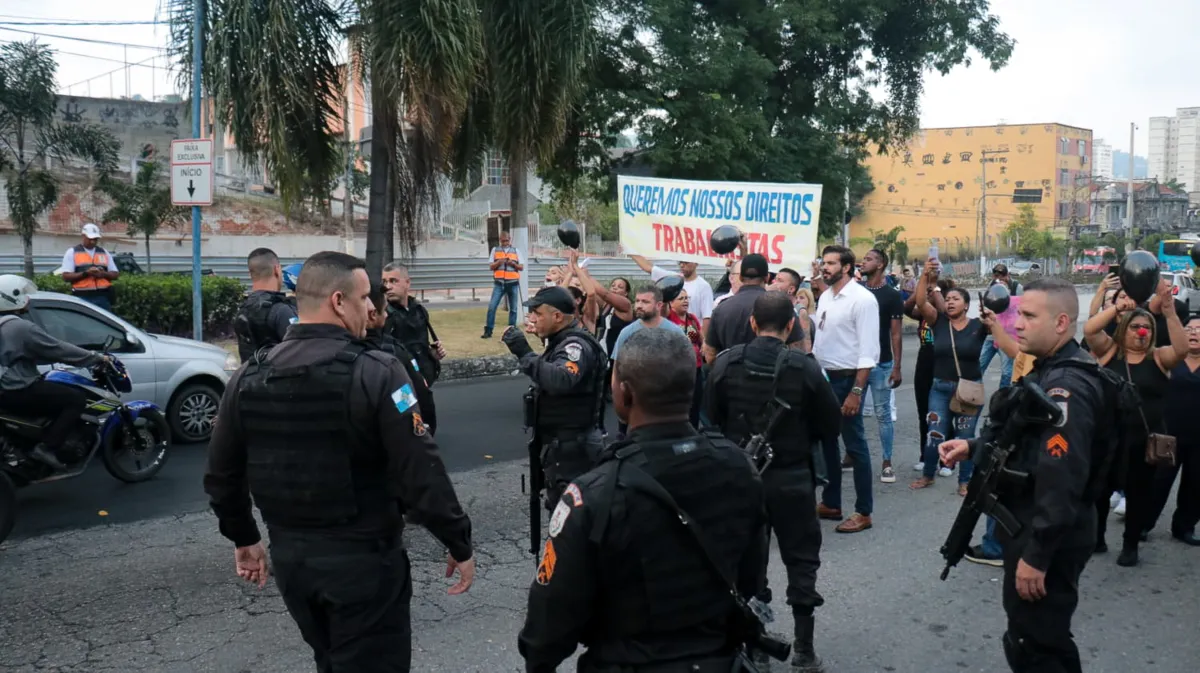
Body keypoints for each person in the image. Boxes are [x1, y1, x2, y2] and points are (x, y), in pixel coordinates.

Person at [203, 252, 475, 672]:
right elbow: (419, 467)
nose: (371, 308)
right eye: (364, 297)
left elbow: (222, 474)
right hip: (363, 563)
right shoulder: (378, 371)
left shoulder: (248, 377)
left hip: (294, 564)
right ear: (337, 301)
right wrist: (457, 538)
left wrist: (244, 537)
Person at [518, 327, 768, 672]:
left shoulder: (593, 493)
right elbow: (753, 577)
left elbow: (550, 620)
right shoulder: (739, 467)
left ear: (624, 393)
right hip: (719, 657)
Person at [940, 277, 1114, 673]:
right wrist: (974, 447)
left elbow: (1062, 479)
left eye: (1030, 316)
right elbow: (1026, 439)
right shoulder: (1048, 369)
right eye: (1019, 314)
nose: (1017, 324)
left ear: (1061, 323)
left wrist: (1036, 556)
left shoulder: (1065, 387)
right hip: (1034, 522)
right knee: (1030, 634)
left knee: (1038, 643)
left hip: (1047, 532)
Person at [705, 291, 841, 672]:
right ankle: (803, 650)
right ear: (791, 326)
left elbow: (710, 420)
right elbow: (831, 426)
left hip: (742, 481)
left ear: (751, 323)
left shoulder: (727, 364)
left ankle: (756, 647)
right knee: (801, 562)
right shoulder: (805, 367)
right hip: (793, 478)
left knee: (749, 565)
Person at [1082, 279, 1187, 566]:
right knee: (1100, 491)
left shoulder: (1159, 357)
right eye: (1134, 327)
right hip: (1108, 437)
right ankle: (1098, 536)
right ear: (1123, 329)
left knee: (1139, 494)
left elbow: (1181, 348)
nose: (1142, 332)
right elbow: (1090, 329)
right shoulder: (1109, 351)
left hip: (1144, 439)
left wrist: (1168, 312)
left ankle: (1131, 545)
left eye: (1147, 328)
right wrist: (1115, 306)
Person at [502, 285, 607, 507]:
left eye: (538, 314)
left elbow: (561, 379)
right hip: (561, 445)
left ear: (557, 316)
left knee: (571, 517)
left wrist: (524, 352)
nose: (533, 318)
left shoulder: (575, 345)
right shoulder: (561, 340)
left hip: (574, 449)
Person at [0, 274, 109, 470]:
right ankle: (47, 447)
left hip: (4, 391)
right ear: (11, 297)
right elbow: (57, 348)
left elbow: (32, 353)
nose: (28, 299)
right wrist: (95, 358)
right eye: (23, 294)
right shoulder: (20, 328)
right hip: (17, 389)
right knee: (75, 399)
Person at [811, 246, 880, 534]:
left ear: (847, 268)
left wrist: (856, 391)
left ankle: (864, 512)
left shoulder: (863, 300)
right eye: (823, 262)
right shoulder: (826, 296)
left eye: (830, 263)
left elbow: (868, 353)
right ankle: (832, 502)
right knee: (827, 443)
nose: (824, 267)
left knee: (855, 447)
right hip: (825, 380)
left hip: (848, 380)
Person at [910, 259, 990, 496]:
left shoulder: (978, 326)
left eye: (956, 299)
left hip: (969, 391)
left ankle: (964, 482)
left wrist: (991, 317)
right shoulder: (938, 322)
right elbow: (921, 301)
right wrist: (924, 275)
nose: (951, 302)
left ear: (967, 305)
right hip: (940, 388)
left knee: (965, 438)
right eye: (949, 299)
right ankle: (928, 474)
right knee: (935, 432)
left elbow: (999, 323)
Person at [704, 253, 804, 364]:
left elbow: (709, 354)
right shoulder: (780, 305)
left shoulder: (721, 308)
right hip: (773, 376)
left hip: (731, 377)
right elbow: (797, 349)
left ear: (741, 277)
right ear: (767, 278)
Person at [366, 286, 436, 436]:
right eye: (384, 310)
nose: (386, 315)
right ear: (373, 314)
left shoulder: (337, 349)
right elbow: (411, 401)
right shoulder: (392, 356)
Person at [383, 262, 445, 428]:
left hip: (422, 377)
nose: (388, 287)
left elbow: (421, 345)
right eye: (384, 282)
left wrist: (433, 354)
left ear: (407, 283)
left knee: (426, 419)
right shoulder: (383, 316)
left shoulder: (419, 310)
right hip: (400, 381)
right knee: (407, 419)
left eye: (393, 281)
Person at [860, 248, 904, 483]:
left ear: (880, 265)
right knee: (852, 412)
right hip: (856, 364)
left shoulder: (891, 296)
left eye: (868, 259)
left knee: (883, 414)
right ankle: (851, 455)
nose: (863, 262)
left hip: (881, 364)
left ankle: (887, 462)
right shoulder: (855, 292)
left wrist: (897, 367)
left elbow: (896, 334)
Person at [232, 248, 298, 363]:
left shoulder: (242, 310)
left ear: (250, 274)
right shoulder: (282, 311)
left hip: (248, 378)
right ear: (277, 270)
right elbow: (301, 351)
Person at [59, 223, 120, 311]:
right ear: (83, 236)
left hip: (103, 297)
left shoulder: (104, 252)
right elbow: (66, 276)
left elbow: (115, 274)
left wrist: (103, 274)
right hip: (82, 297)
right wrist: (86, 273)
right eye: (90, 239)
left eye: (95, 239)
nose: (93, 242)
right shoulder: (72, 252)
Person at [482, 230, 524, 338]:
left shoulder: (516, 251)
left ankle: (511, 331)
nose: (505, 243)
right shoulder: (495, 250)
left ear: (510, 240)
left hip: (513, 283)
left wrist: (513, 264)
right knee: (492, 306)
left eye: (507, 240)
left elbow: (521, 267)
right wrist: (499, 262)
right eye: (503, 241)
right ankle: (488, 330)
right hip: (499, 283)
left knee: (513, 309)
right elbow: (491, 266)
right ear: (500, 240)